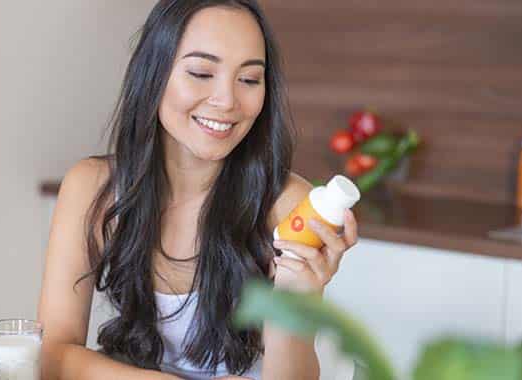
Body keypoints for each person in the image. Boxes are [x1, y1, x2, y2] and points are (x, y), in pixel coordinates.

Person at [37, 1, 360, 379]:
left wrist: (298, 294)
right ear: (153, 74)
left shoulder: (288, 208)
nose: (226, 101)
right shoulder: (94, 189)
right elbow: (51, 355)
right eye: (201, 72)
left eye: (250, 80)